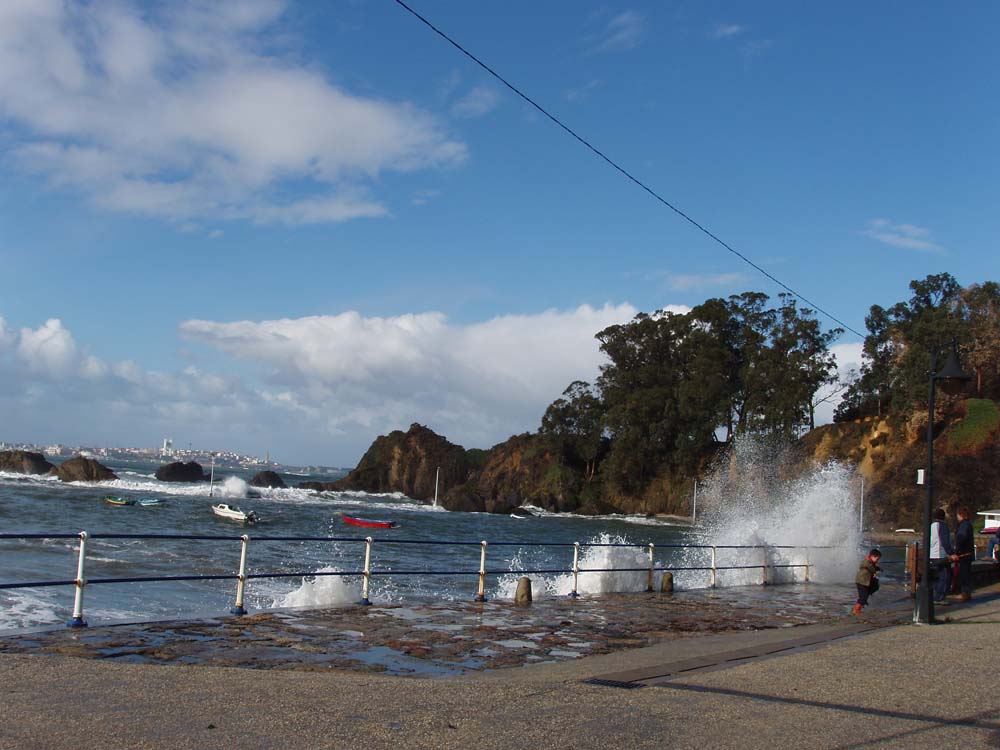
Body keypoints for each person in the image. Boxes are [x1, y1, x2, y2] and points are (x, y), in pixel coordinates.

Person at [929, 508, 954, 604]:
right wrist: (952, 553)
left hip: (932, 555)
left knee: (937, 576)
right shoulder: (942, 526)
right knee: (945, 576)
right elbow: (945, 542)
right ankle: (939, 598)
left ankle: (936, 596)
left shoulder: (931, 526)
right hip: (941, 555)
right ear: (943, 517)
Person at [954, 506, 975, 601]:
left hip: (964, 554)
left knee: (964, 574)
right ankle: (966, 593)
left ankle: (965, 594)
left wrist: (956, 550)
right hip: (968, 553)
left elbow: (961, 537)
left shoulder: (964, 525)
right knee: (966, 574)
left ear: (961, 515)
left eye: (957, 515)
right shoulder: (968, 524)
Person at [853, 548, 882, 615]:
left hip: (866, 582)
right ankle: (856, 610)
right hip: (861, 582)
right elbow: (870, 567)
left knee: (874, 587)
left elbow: (873, 567)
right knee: (863, 597)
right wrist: (875, 571)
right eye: (877, 559)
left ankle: (863, 602)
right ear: (872, 556)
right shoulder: (866, 561)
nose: (877, 561)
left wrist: (878, 568)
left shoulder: (871, 562)